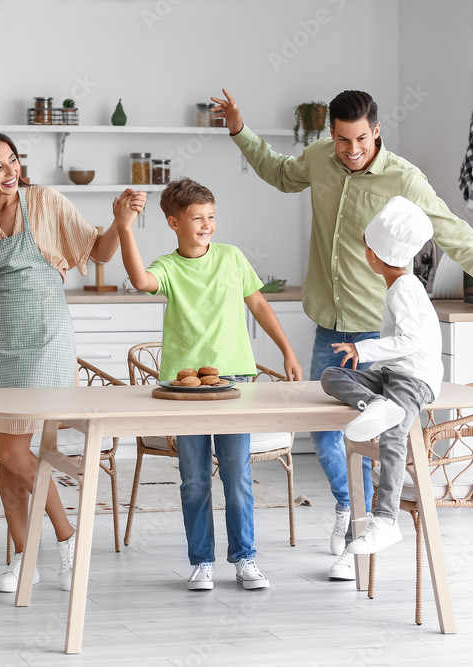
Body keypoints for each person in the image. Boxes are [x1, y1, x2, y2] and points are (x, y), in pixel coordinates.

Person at [210, 87, 473, 581]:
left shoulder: (403, 179)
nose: (352, 150)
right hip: (329, 320)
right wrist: (240, 130)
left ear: (377, 130)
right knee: (328, 431)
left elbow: (454, 233)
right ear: (331, 133)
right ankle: (351, 508)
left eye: (362, 139)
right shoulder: (320, 158)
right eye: (344, 140)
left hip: (377, 327)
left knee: (372, 433)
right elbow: (280, 175)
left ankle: (359, 536)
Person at [0, 129, 145, 593]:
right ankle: (27, 559)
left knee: (13, 451)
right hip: (1, 340)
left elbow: (96, 251)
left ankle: (68, 540)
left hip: (46, 339)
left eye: (13, 161)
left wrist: (120, 223)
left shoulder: (43, 201)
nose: (10, 173)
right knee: (8, 460)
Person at [118, 177, 303, 591]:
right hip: (184, 388)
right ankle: (202, 561)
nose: (206, 224)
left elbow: (257, 303)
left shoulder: (232, 258)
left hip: (235, 380)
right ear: (173, 222)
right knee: (195, 478)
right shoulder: (168, 266)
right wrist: (125, 228)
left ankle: (245, 558)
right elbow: (141, 282)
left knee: (237, 473)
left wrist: (287, 351)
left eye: (211, 216)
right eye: (197, 218)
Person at [321, 196, 440, 554]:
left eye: (366, 249)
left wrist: (364, 350)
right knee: (331, 375)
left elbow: (409, 341)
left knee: (394, 437)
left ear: (375, 255)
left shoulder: (404, 287)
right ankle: (376, 404)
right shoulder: (401, 285)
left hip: (412, 378)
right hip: (391, 375)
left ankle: (386, 520)